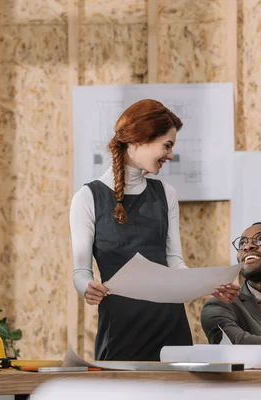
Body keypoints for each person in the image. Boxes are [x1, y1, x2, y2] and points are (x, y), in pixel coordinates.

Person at [69, 99, 240, 361]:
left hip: (170, 328)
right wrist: (86, 287)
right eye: (167, 145)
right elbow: (81, 271)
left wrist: (210, 285)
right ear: (139, 139)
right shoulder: (87, 197)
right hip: (120, 329)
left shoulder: (166, 194)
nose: (170, 155)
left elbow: (175, 262)